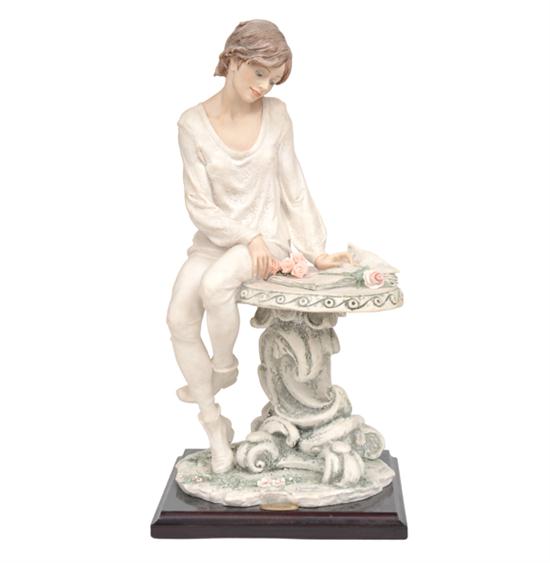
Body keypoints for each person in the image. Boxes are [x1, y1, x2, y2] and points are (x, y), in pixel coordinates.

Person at [167, 19, 352, 474]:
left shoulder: (277, 115)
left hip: (267, 239)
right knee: (178, 316)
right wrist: (242, 236)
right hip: (218, 239)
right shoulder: (192, 124)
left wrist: (313, 249)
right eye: (259, 72)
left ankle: (224, 368)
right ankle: (215, 427)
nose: (265, 86)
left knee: (216, 286)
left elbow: (294, 186)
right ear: (233, 59)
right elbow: (198, 204)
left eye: (274, 78)